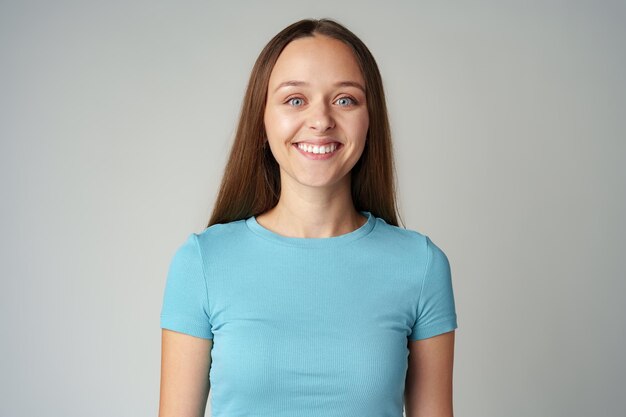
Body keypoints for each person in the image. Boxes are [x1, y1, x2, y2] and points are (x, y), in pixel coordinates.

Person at [158, 18, 458, 417]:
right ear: (262, 119)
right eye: (295, 100)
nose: (320, 121)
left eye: (345, 100)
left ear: (371, 120)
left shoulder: (420, 265)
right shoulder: (202, 263)